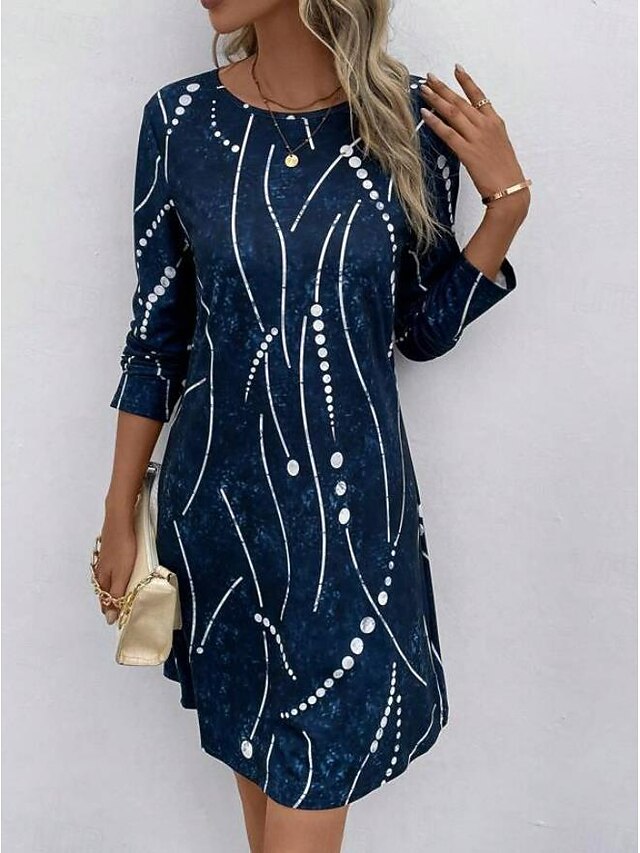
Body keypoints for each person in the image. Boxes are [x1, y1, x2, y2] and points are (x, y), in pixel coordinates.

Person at [95, 1, 530, 850]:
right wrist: (118, 510)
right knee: (268, 794)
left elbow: (418, 331)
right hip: (222, 522)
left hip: (352, 536)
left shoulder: (410, 121)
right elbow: (156, 339)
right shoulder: (179, 122)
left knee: (305, 788)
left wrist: (505, 210)